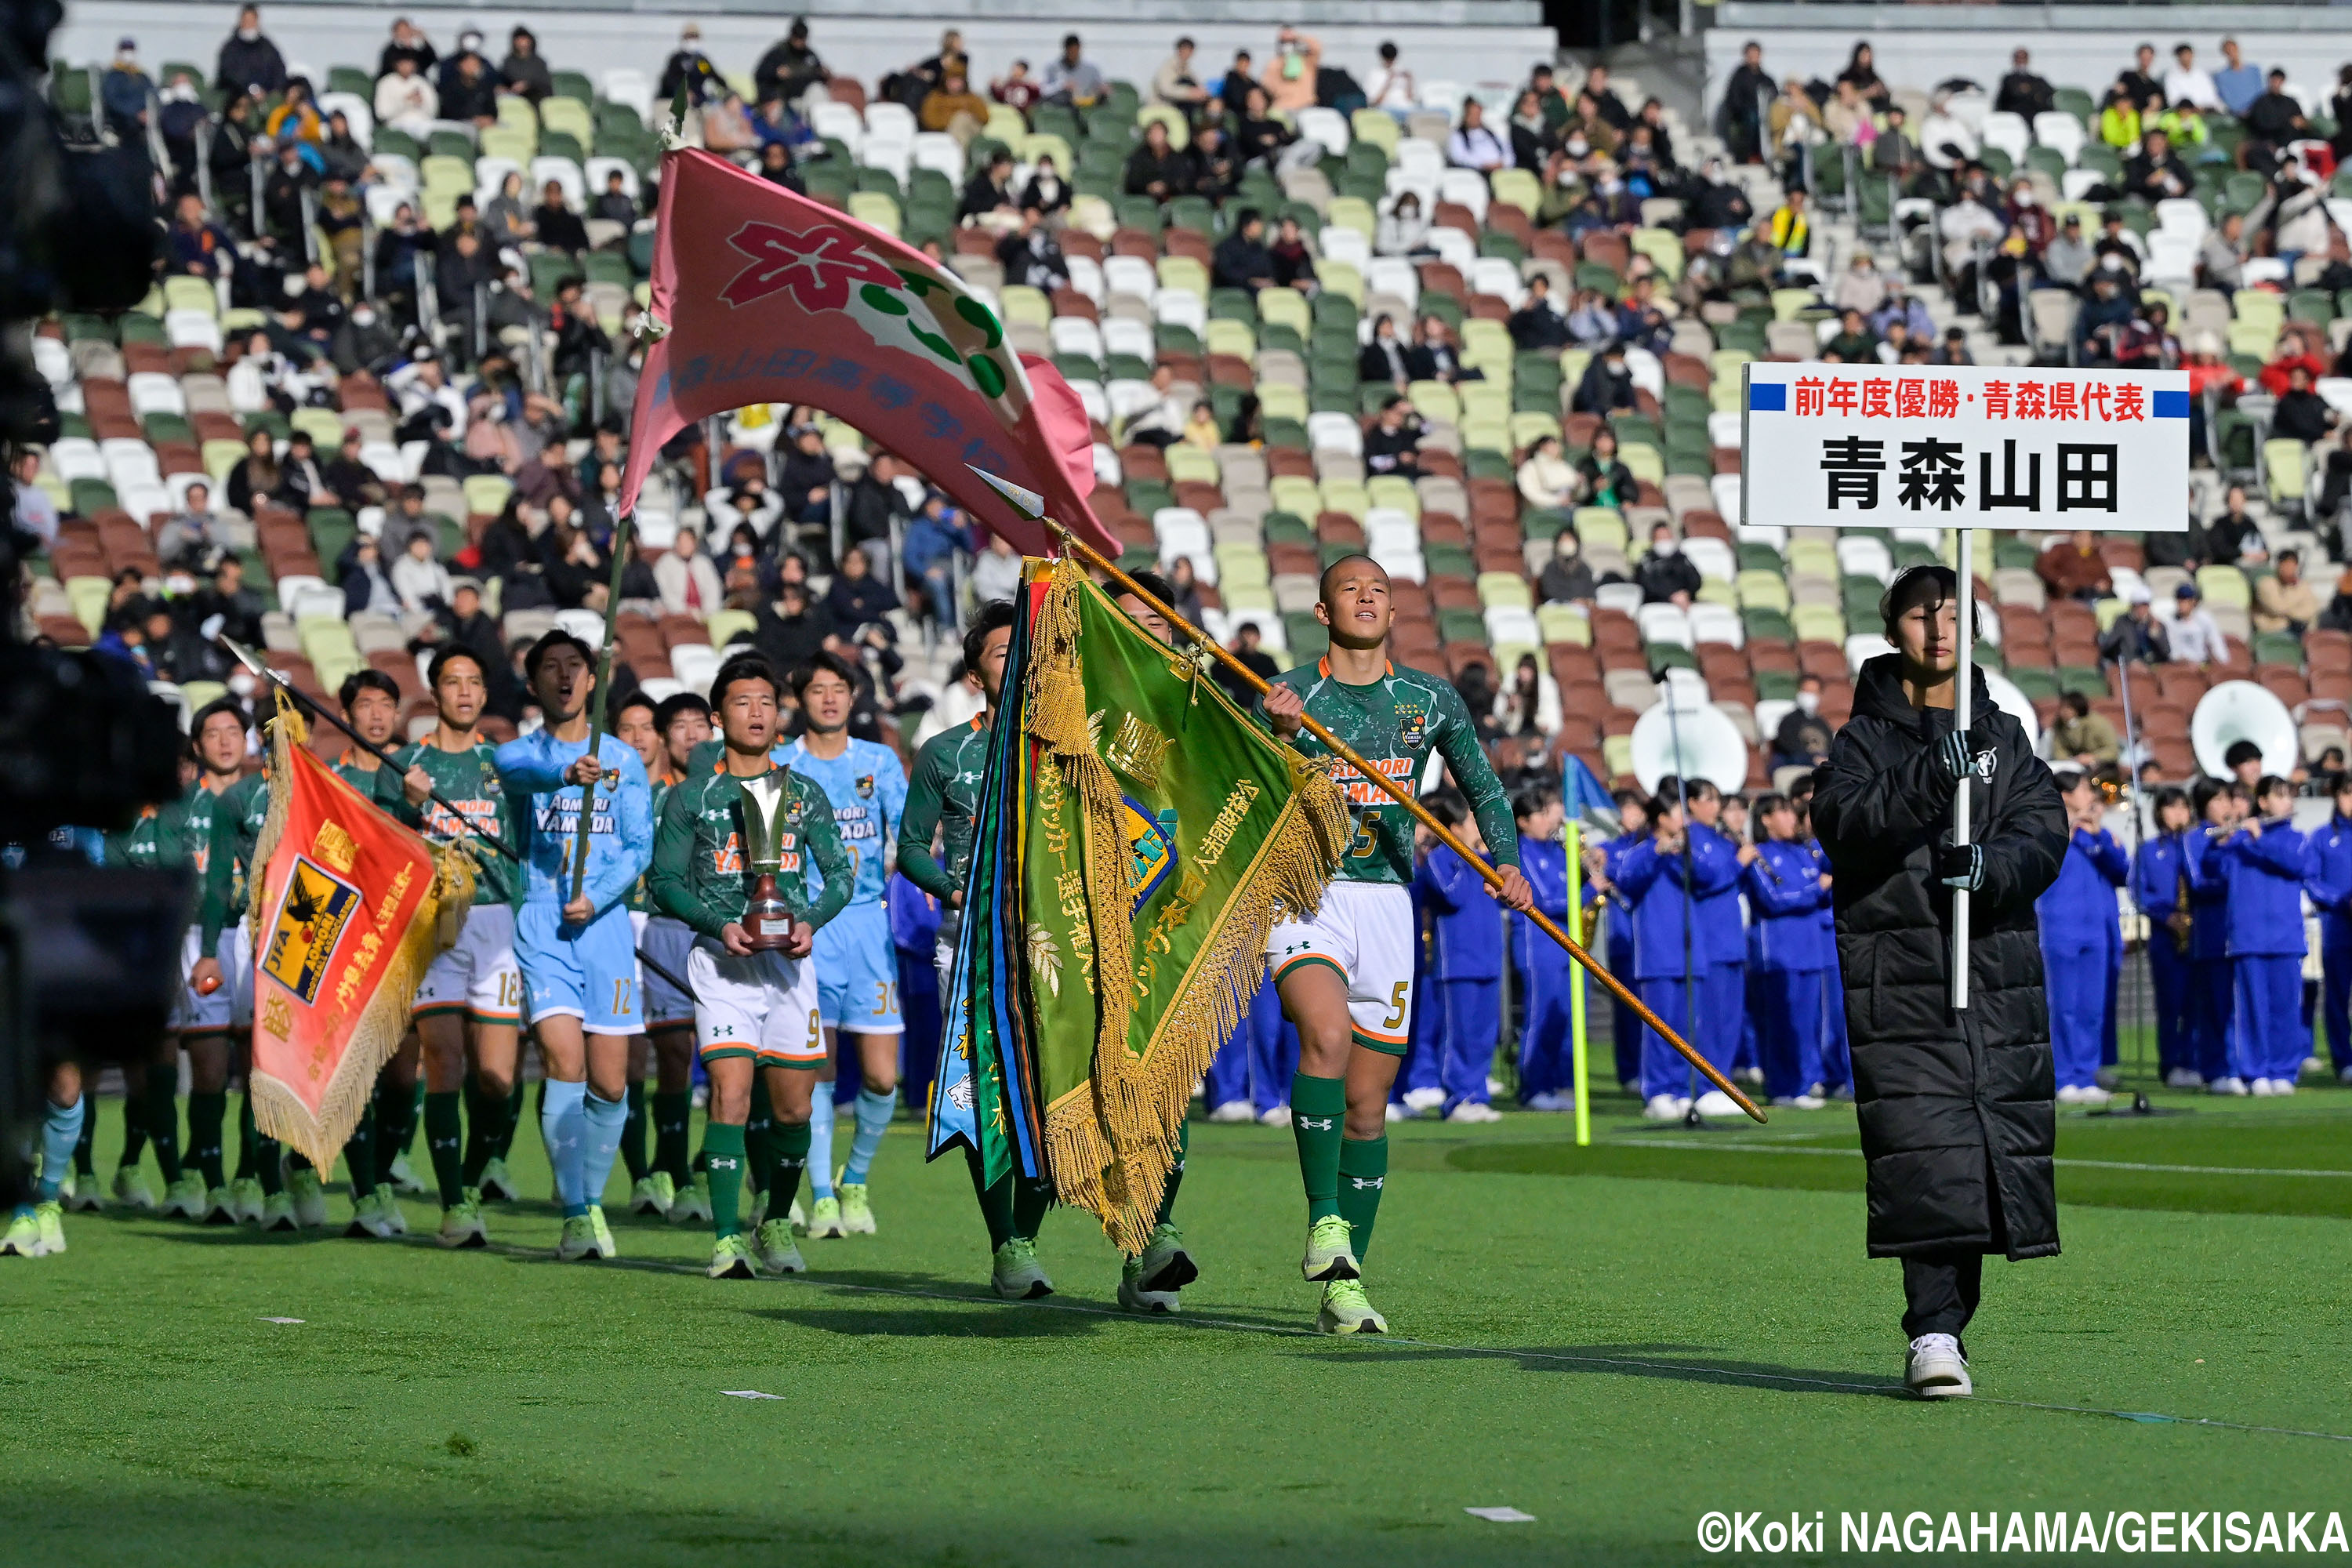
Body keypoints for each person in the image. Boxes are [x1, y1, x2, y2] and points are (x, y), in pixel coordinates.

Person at [1258, 554, 1534, 1335]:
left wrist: (1506, 860)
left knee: (1369, 1108)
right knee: (1327, 1034)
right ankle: (1323, 1220)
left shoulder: (1428, 698)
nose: (1368, 595)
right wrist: (1276, 739)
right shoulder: (1289, 695)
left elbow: (1482, 784)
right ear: (1322, 609)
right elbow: (1242, 787)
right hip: (1308, 887)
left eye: (1379, 587)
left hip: (1388, 899)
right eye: (1351, 586)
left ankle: (1345, 1287)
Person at [1813, 565, 2067, 1400]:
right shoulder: (1860, 742)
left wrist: (1991, 868)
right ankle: (1932, 1331)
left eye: (1954, 613)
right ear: (1893, 629)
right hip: (1903, 982)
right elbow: (1844, 826)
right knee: (1928, 1156)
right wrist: (1927, 779)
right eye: (1922, 614)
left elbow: (2043, 831)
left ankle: (1952, 1324)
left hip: (1994, 976)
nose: (1939, 628)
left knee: (1984, 1158)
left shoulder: (2006, 736)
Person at [652, 655, 851, 1279]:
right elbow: (663, 882)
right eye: (742, 702)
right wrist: (719, 926)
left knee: (794, 1111)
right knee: (730, 1097)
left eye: (766, 701)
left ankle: (775, 1220)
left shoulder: (804, 791)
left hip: (790, 968)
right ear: (717, 717)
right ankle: (726, 1239)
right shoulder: (692, 796)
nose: (757, 712)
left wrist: (810, 922)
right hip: (721, 966)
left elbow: (843, 873)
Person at [895, 601, 1057, 1296]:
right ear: (973, 677)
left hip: (1055, 953)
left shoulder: (1065, 746)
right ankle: (1007, 1244)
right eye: (1000, 653)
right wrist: (954, 891)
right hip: (968, 951)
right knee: (981, 1094)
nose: (1016, 660)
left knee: (1055, 1102)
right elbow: (908, 848)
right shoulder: (944, 753)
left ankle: (1029, 1233)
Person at [495, 631, 655, 1261]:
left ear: (594, 680)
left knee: (611, 1084)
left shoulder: (624, 759)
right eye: (550, 669)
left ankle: (590, 1197)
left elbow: (638, 845)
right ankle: (574, 1211)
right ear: (534, 683)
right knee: (565, 1062)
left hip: (605, 923)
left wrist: (601, 895)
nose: (564, 678)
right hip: (543, 921)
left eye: (575, 668)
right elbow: (516, 773)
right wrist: (564, 772)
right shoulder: (520, 755)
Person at [390, 645, 523, 1246]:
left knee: (496, 1077)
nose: (465, 692)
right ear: (434, 692)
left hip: (497, 923)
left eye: (474, 682)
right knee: (443, 1061)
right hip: (432, 923)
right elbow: (378, 846)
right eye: (453, 682)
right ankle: (454, 1204)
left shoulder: (508, 766)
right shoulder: (408, 766)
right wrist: (407, 808)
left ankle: (471, 1178)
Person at [775, 651, 910, 1241]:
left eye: (838, 689)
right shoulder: (781, 764)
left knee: (883, 1077)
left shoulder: (878, 761)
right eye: (817, 689)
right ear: (800, 699)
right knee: (819, 1069)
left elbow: (907, 836)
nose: (829, 699)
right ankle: (825, 1194)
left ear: (852, 697)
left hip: (866, 930)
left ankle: (856, 1177)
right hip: (807, 931)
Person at [1413, 789, 1505, 1123]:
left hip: (1488, 958)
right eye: (1470, 821)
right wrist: (1466, 856)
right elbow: (1452, 895)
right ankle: (1457, 1097)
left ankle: (1477, 1093)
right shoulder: (1439, 859)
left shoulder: (1484, 859)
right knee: (1459, 1035)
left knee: (1483, 1035)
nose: (1478, 828)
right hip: (1457, 963)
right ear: (1453, 827)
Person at [2218, 773, 2314, 1095]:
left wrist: (2260, 840)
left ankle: (2284, 1070)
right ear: (2263, 802)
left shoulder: (2296, 838)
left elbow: (2297, 864)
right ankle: (2254, 1072)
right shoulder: (2239, 840)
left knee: (2286, 1009)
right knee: (2252, 1010)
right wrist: (2224, 838)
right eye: (2280, 795)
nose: (2288, 801)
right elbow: (2214, 872)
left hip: (2286, 937)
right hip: (2248, 938)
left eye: (2289, 795)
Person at [2036, 770, 2128, 1105]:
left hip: (2096, 931)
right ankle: (2063, 1076)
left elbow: (2122, 870)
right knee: (2063, 1007)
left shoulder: (2096, 834)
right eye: (2083, 790)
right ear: (2064, 796)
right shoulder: (2048, 830)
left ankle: (2086, 1074)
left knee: (2091, 1007)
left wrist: (2099, 834)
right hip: (2060, 928)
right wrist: (2067, 830)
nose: (2091, 796)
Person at [1746, 791, 1833, 1108]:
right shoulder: (1760, 854)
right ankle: (1784, 1087)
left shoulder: (1803, 852)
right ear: (1766, 819)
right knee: (1783, 1023)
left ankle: (1805, 1081)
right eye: (1782, 813)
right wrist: (1816, 889)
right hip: (1779, 954)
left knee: (1806, 1023)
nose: (1791, 818)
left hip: (1809, 951)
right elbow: (1774, 899)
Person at [1507, 784, 1576, 1111]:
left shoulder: (1557, 850)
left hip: (1564, 946)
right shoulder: (1522, 853)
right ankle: (1533, 1088)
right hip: (1538, 947)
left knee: (1562, 1019)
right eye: (1541, 814)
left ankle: (1556, 1083)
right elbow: (1545, 901)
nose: (1549, 820)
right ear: (1522, 821)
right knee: (1538, 1017)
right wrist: (1591, 891)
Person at [2132, 787, 2199, 1087]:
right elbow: (2138, 892)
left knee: (2197, 1004)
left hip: (2199, 934)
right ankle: (2171, 1064)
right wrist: (2164, 916)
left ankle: (2195, 1061)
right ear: (2159, 812)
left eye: (2183, 807)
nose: (2178, 814)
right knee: (2171, 1003)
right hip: (2165, 937)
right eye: (2171, 808)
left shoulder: (2197, 844)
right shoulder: (2149, 850)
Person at [2303, 774, 2352, 1086]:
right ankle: (2344, 1060)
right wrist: (2339, 901)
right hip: (2337, 926)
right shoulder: (2321, 836)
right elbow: (2310, 879)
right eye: (2347, 794)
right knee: (2337, 995)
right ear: (2335, 797)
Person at [2255, 547, 2320, 635]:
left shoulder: (2303, 585)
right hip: (2273, 631)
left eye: (2292, 565)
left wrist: (2290, 613)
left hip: (2299, 629)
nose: (2288, 569)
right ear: (2279, 565)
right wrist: (2297, 607)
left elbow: (2310, 609)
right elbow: (2277, 608)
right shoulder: (2266, 583)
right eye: (2285, 565)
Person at [2051, 691, 2121, 773]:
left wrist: (2093, 757)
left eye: (2068, 708)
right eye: (2061, 707)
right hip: (2075, 764)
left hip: (2102, 764)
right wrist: (2070, 760)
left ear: (2077, 708)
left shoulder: (2098, 723)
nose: (2062, 711)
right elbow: (2059, 749)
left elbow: (2112, 750)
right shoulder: (2059, 724)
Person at [1635, 523, 1700, 608]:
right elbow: (1646, 585)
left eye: (1667, 537)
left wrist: (1685, 593)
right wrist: (1671, 596)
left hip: (1685, 601)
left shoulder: (1682, 558)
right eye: (1661, 538)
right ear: (1653, 540)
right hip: (1658, 604)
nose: (1665, 541)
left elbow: (1695, 580)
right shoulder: (1647, 561)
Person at [1040, 33, 1102, 107]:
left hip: (1085, 104)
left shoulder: (1092, 68)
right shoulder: (1052, 67)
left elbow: (1099, 86)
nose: (1073, 54)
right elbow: (1043, 91)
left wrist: (1102, 89)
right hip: (1060, 105)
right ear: (1065, 49)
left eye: (1076, 50)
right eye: (1071, 51)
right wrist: (1062, 85)